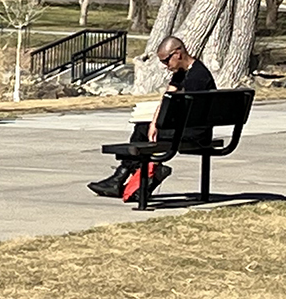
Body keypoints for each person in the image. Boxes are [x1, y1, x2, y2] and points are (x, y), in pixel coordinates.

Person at [87, 36, 216, 199]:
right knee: (143, 127)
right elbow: (167, 98)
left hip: (195, 133)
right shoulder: (182, 73)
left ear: (178, 53)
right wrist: (155, 122)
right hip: (185, 127)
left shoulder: (198, 77)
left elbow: (185, 113)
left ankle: (125, 178)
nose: (165, 66)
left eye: (166, 61)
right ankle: (130, 178)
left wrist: (161, 124)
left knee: (141, 131)